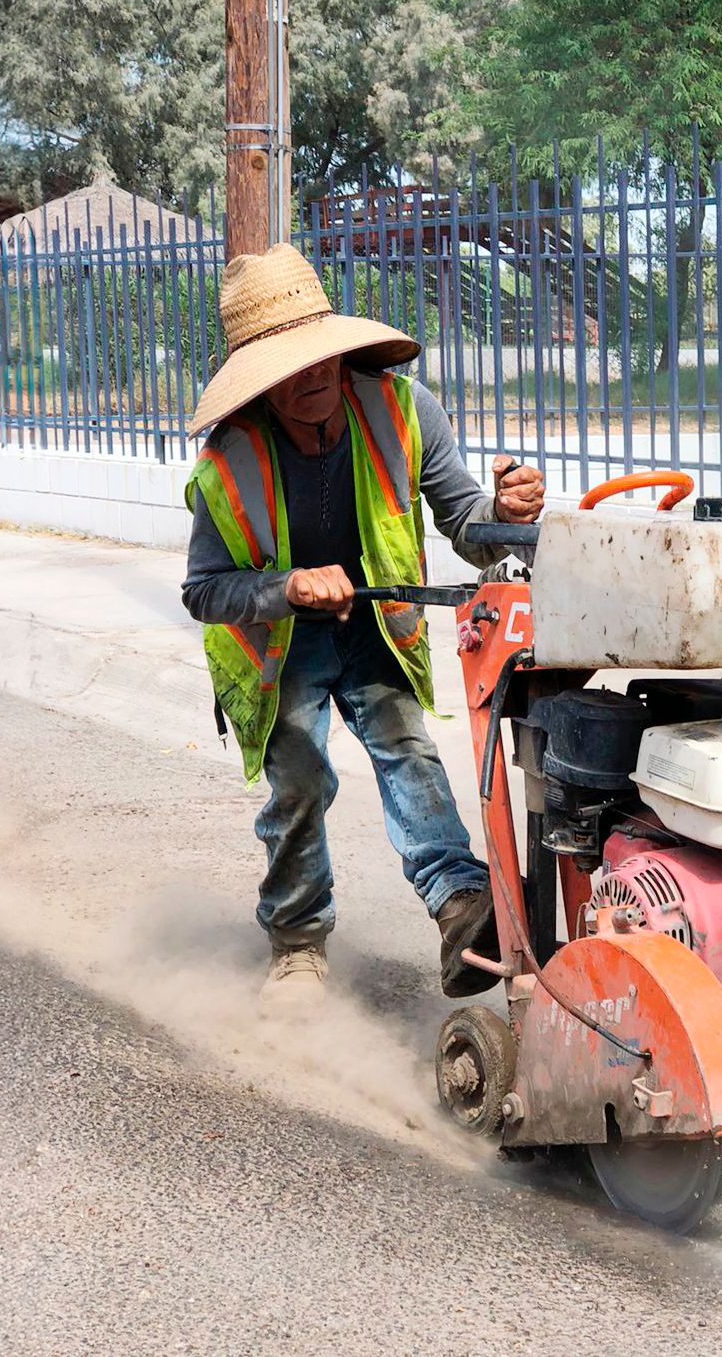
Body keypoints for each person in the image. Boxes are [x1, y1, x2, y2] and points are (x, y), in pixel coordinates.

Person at [180, 244, 545, 1010]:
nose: (313, 378)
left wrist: (505, 515)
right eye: (290, 369)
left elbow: (467, 524)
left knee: (409, 752)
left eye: (320, 358)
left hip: (376, 624)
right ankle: (297, 941)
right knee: (302, 782)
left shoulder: (404, 410)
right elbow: (205, 594)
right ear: (261, 380)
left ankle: (459, 910)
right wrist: (289, 587)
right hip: (276, 646)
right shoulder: (228, 458)